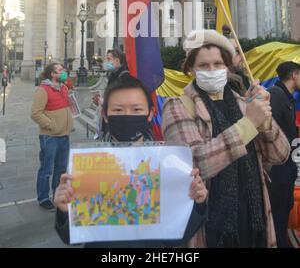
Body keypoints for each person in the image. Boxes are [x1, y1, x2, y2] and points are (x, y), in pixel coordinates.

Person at [162, 29, 291, 248]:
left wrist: (265, 120)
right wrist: (248, 125)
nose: (211, 70)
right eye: (203, 66)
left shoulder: (244, 103)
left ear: (227, 67)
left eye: (218, 64)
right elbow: (195, 162)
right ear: (191, 69)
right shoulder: (177, 106)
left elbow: (280, 155)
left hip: (254, 218)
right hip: (210, 226)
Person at [54, 75, 208, 248]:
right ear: (105, 115)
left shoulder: (168, 165)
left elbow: (176, 237)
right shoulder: (85, 167)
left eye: (136, 110)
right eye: (118, 110)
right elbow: (72, 237)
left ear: (150, 114)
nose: (127, 115)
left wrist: (197, 204)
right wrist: (64, 212)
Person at [31, 63, 73, 211]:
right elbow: (35, 113)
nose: (64, 72)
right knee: (46, 169)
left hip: (64, 135)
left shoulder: (64, 88)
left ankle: (57, 194)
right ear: (52, 74)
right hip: (50, 137)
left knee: (61, 169)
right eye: (60, 70)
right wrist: (52, 125)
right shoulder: (43, 90)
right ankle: (43, 198)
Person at [268, 61, 300, 248]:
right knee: (278, 218)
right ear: (294, 75)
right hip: (277, 172)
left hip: (285, 171)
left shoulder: (287, 97)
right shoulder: (276, 95)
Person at [93, 49, 129, 137]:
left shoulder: (125, 77)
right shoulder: (112, 75)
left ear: (117, 60)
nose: (106, 62)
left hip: (119, 123)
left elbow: (124, 102)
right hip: (110, 120)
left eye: (109, 59)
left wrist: (104, 102)